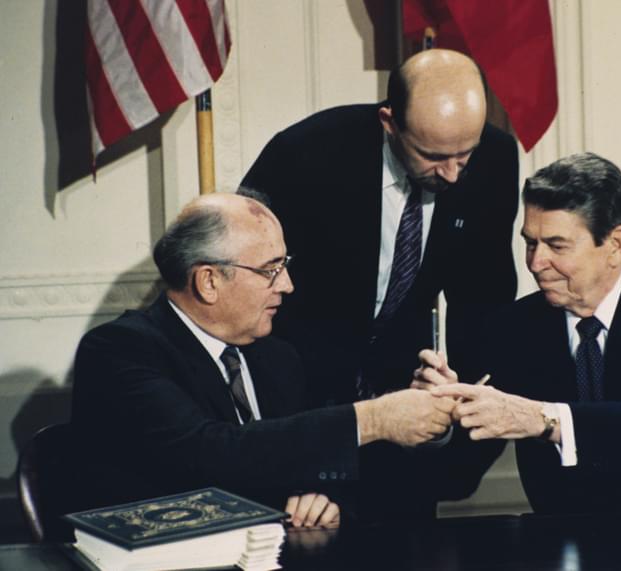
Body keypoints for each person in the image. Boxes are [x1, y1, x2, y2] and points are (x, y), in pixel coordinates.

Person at [238, 48, 517, 519]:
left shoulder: (496, 157)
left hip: (404, 419)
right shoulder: (305, 153)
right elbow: (248, 299)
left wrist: (455, 427)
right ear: (389, 122)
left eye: (464, 155)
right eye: (433, 156)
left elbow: (485, 303)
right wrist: (305, 466)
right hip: (303, 411)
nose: (452, 174)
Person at [70, 193, 457, 527]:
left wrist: (323, 497)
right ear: (209, 281)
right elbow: (210, 454)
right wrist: (374, 418)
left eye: (284, 265)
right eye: (271, 269)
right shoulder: (119, 350)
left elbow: (310, 450)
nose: (287, 285)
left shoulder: (275, 356)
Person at [421, 152, 621, 513]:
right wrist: (442, 416)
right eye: (530, 243)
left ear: (615, 245)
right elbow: (458, 477)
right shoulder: (511, 329)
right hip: (566, 540)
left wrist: (544, 419)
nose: (535, 263)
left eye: (556, 246)